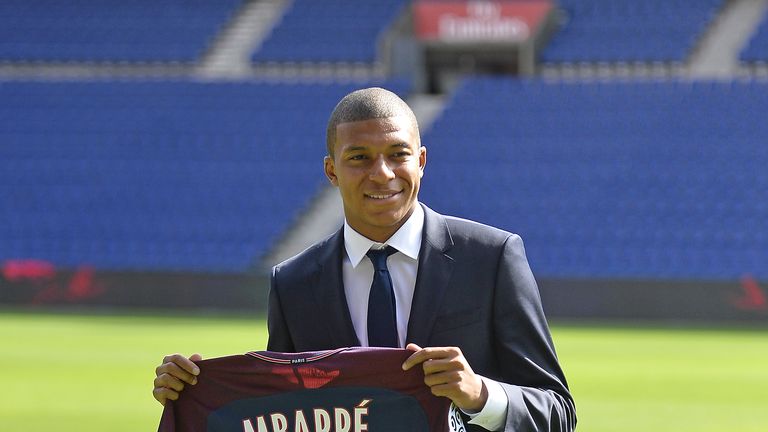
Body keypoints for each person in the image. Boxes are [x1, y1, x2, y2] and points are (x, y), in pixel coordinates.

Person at [154, 87, 576, 431]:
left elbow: (557, 412)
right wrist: (191, 390)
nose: (382, 173)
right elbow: (286, 413)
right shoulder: (294, 282)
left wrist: (481, 395)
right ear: (331, 171)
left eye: (398, 154)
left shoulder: (491, 257)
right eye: (359, 157)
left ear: (422, 161)